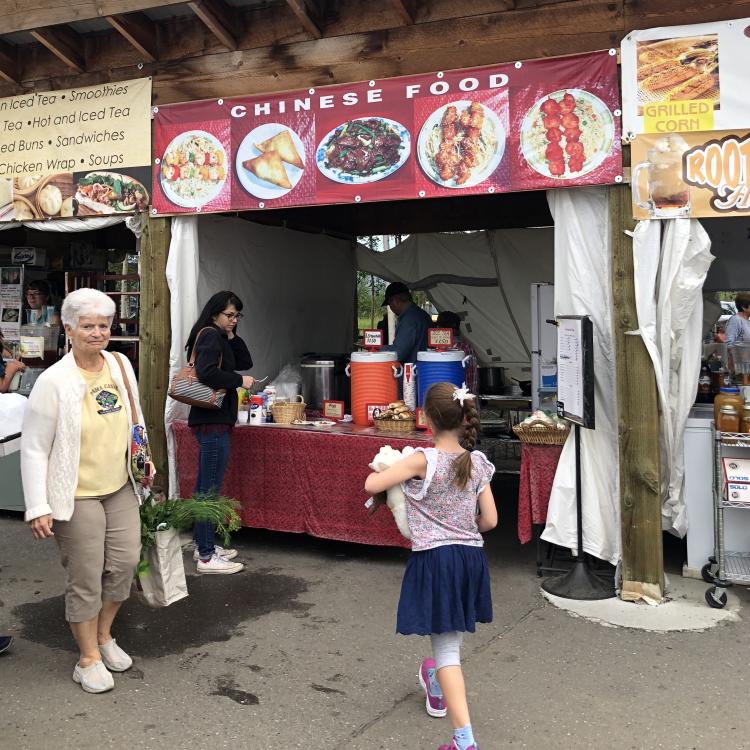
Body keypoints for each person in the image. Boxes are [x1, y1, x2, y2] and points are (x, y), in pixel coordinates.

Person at [21, 288, 146, 694]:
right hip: (75, 494)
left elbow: (135, 422)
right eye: (88, 326)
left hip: (119, 486)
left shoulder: (121, 364)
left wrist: (144, 472)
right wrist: (37, 505)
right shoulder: (53, 381)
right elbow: (35, 447)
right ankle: (87, 657)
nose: (97, 333)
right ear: (68, 328)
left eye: (104, 325)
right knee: (86, 577)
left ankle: (105, 635)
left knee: (125, 564)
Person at [364, 381, 497, 750]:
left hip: (437, 558)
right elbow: (490, 520)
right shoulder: (479, 462)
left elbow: (371, 482)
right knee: (449, 637)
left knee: (447, 651)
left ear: (426, 419)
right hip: (471, 556)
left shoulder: (423, 460)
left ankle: (464, 741)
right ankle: (436, 686)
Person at [186, 291, 254, 574]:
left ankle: (204, 544)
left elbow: (245, 360)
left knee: (206, 486)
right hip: (211, 420)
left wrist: (232, 334)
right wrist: (239, 381)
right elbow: (206, 373)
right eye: (229, 315)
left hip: (214, 420)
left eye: (237, 315)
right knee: (208, 489)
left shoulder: (219, 335)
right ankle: (205, 556)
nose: (234, 320)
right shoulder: (210, 335)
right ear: (214, 313)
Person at [381, 281, 433, 364]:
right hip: (425, 370)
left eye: (389, 304)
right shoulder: (423, 315)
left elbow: (398, 353)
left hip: (412, 373)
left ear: (396, 301)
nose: (391, 308)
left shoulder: (408, 320)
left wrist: (378, 349)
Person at [436, 311, 478, 395]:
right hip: (471, 403)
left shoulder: (447, 352)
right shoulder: (467, 348)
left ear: (440, 329)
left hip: (457, 405)